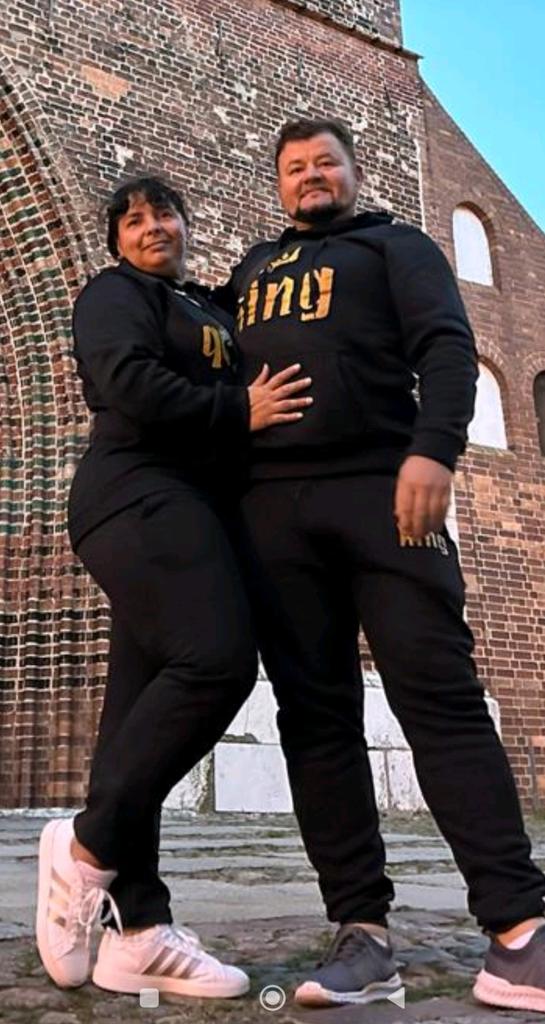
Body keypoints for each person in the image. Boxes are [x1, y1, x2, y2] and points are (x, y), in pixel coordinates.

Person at [216, 118, 545, 1013]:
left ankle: (518, 932)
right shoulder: (250, 272)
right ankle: (361, 937)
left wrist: (434, 449)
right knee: (314, 719)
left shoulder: (395, 247)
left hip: (383, 491)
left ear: (353, 173)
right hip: (273, 511)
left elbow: (445, 345)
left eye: (325, 162)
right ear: (278, 184)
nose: (310, 176)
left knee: (438, 697)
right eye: (293, 167)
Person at [35, 176, 312, 1001]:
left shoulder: (210, 307)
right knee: (215, 663)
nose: (152, 227)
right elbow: (126, 382)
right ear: (115, 241)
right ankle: (84, 848)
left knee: (136, 712)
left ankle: (138, 931)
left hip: (197, 511)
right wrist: (236, 411)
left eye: (165, 214)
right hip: (136, 495)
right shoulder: (114, 295)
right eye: (133, 220)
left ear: (187, 226)